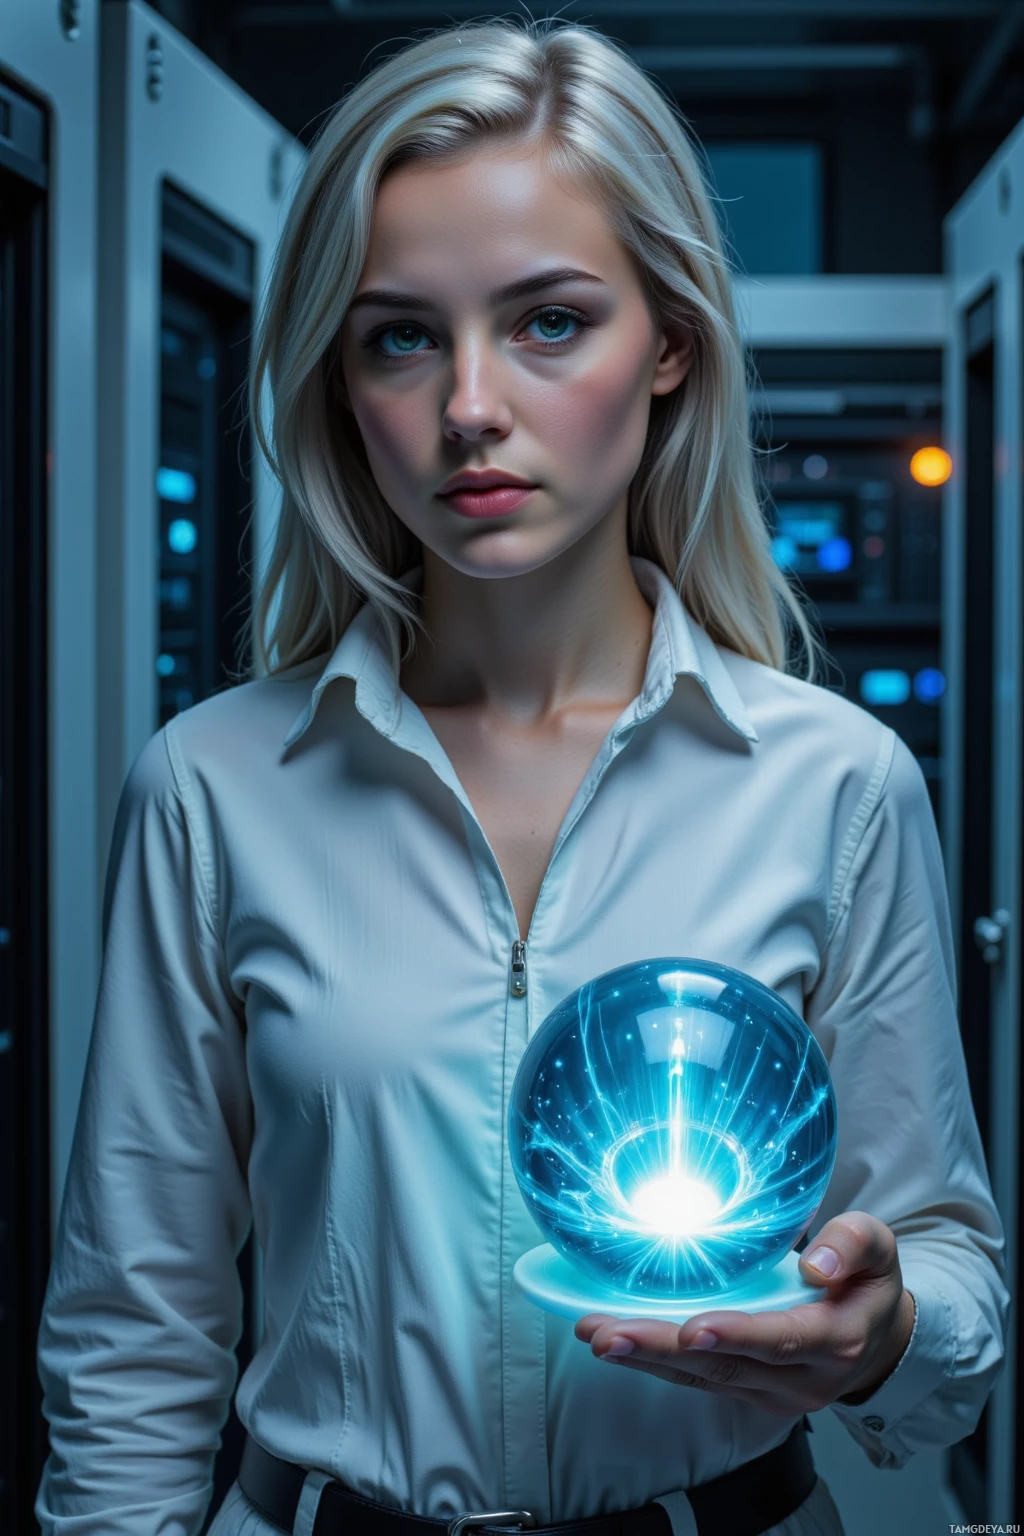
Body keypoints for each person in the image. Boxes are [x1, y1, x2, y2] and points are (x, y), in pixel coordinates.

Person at [36, 17, 1007, 1536]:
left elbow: (947, 1288)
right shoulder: (215, 787)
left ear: (670, 340)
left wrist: (885, 1330)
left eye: (550, 322)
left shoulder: (836, 784)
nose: (471, 404)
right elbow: (133, 1329)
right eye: (402, 335)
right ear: (342, 380)